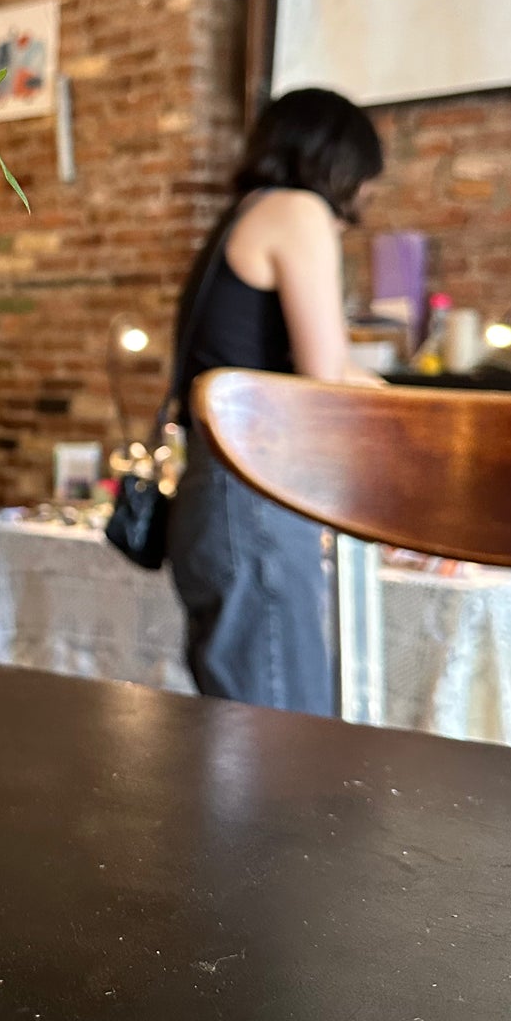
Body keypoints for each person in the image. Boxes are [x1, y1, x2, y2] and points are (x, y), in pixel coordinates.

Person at [167, 87, 385, 717]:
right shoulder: (298, 211)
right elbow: (324, 379)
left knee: (246, 739)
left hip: (216, 494)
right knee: (284, 745)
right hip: (255, 499)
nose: (364, 195)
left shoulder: (246, 213)